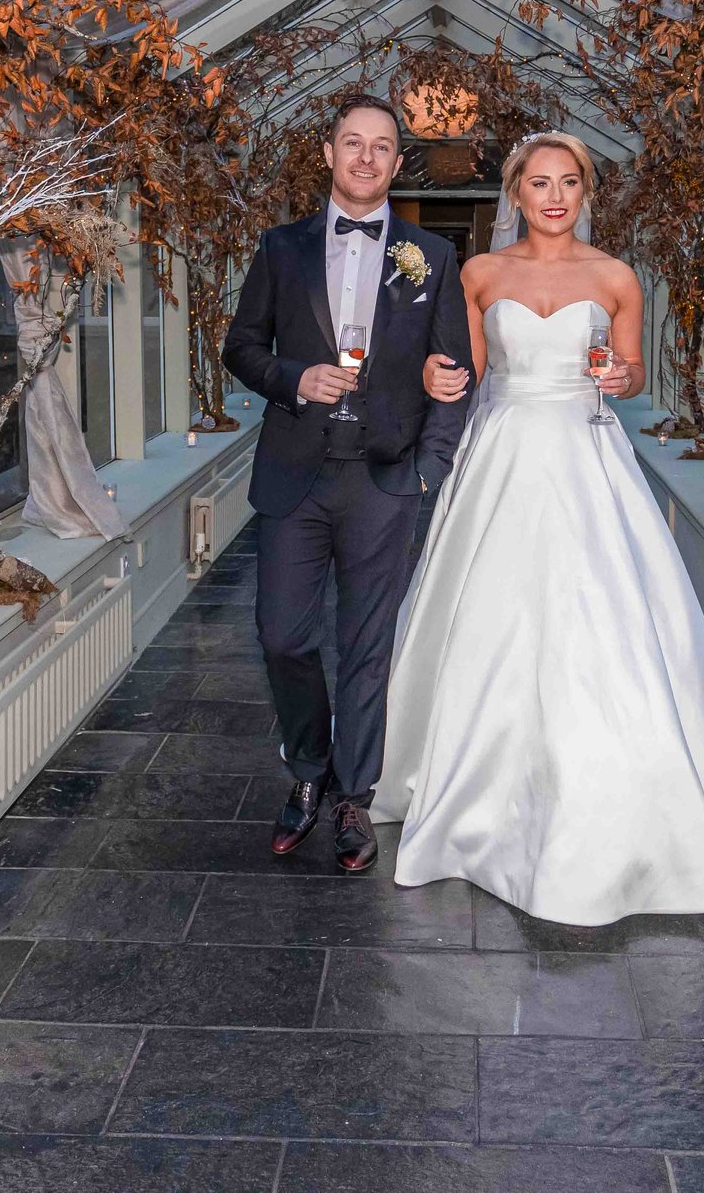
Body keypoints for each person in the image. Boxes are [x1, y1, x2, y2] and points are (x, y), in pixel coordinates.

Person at [378, 131, 704, 923]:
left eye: (570, 182)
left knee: (603, 622)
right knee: (492, 622)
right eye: (540, 182)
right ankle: (474, 790)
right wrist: (430, 376)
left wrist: (620, 373)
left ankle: (626, 800)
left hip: (585, 455)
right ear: (516, 192)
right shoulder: (479, 273)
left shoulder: (614, 276)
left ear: (585, 192)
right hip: (500, 458)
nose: (556, 195)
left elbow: (630, 371)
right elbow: (458, 377)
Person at [221, 95, 471, 873]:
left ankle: (352, 793)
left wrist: (429, 469)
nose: (365, 158)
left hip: (385, 480)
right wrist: (297, 378)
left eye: (382, 147)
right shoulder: (281, 248)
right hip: (295, 474)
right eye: (352, 143)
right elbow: (240, 347)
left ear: (398, 164)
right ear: (328, 154)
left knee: (367, 648)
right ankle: (307, 766)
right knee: (283, 636)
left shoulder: (433, 255)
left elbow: (454, 372)